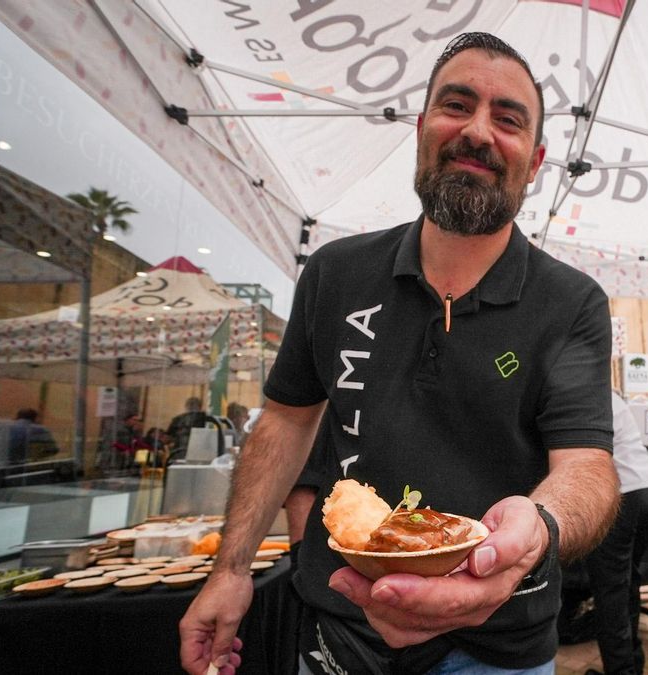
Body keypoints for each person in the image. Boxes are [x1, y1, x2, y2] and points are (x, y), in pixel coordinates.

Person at [180, 32, 618, 675]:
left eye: (507, 119)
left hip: (499, 641)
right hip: (339, 629)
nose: (477, 131)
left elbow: (586, 465)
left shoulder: (572, 302)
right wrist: (231, 570)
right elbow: (286, 421)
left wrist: (541, 525)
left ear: (537, 158)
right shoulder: (335, 273)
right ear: (421, 128)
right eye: (456, 105)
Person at [584, 392, 648, 675]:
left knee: (610, 591)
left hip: (620, 495)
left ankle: (620, 670)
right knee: (627, 582)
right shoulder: (609, 394)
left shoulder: (580, 394)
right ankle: (632, 664)